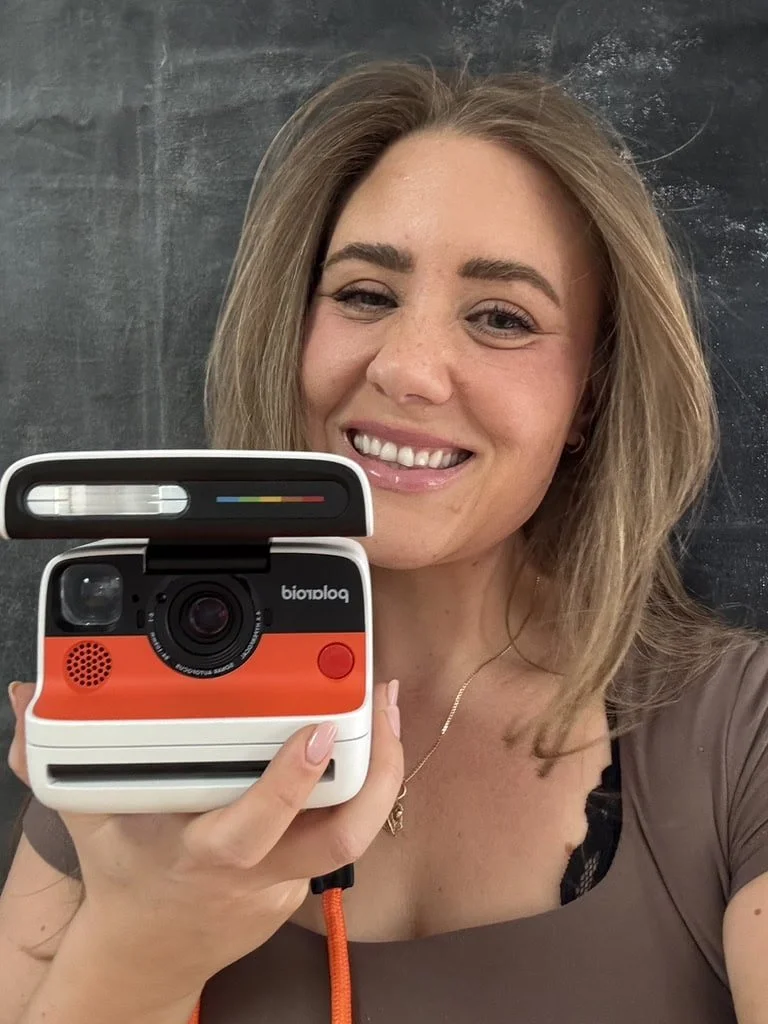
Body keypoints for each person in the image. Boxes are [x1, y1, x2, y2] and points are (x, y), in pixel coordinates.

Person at [1, 58, 767, 1024]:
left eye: (501, 318)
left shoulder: (741, 737)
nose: (408, 370)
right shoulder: (129, 713)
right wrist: (142, 950)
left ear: (592, 396)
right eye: (364, 295)